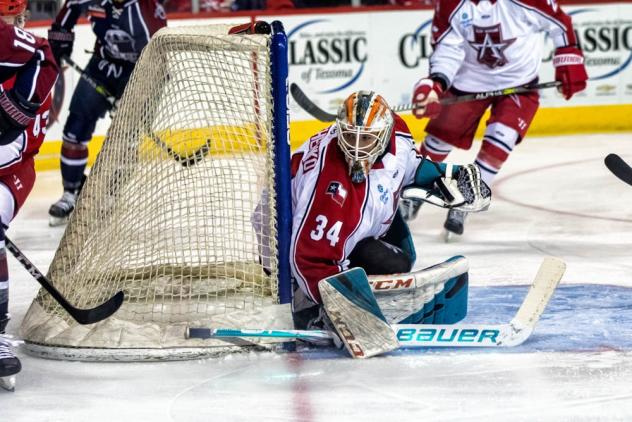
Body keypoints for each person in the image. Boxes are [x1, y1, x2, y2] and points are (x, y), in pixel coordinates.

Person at [288, 90, 490, 349]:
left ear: (385, 134)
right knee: (313, 273)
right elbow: (308, 257)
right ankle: (306, 305)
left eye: (367, 140)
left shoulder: (399, 133)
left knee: (400, 259)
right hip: (287, 236)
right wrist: (344, 312)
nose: (357, 150)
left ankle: (343, 283)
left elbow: (410, 166)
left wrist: (450, 173)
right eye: (350, 138)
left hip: (338, 226)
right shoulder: (332, 186)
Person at [408, 0, 588, 238]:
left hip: (519, 85)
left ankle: (467, 196)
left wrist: (568, 57)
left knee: (501, 139)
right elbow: (448, 48)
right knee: (439, 140)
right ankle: (413, 191)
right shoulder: (451, 4)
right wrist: (437, 83)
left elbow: (559, 23)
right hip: (468, 84)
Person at [47, 0, 167, 225]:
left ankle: (111, 197)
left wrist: (138, 93)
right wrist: (60, 42)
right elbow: (66, 15)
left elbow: (159, 57)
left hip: (140, 70)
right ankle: (69, 194)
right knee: (75, 130)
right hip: (101, 66)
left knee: (127, 140)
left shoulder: (147, 10)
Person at [0, 0, 58, 390]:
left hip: (9, 172)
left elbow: (20, 145)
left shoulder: (34, 71)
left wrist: (15, 108)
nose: (17, 23)